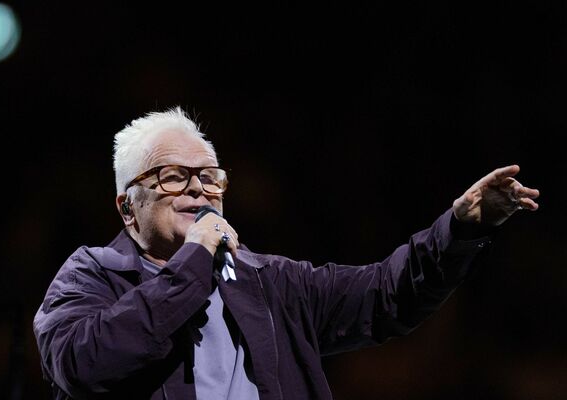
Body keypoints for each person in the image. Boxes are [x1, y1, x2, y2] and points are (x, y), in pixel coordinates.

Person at [33, 106, 540, 399]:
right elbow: (86, 365)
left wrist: (460, 229)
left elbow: (388, 295)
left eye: (209, 177)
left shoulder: (270, 283)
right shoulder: (91, 276)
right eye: (172, 176)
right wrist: (192, 263)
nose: (198, 190)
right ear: (127, 207)